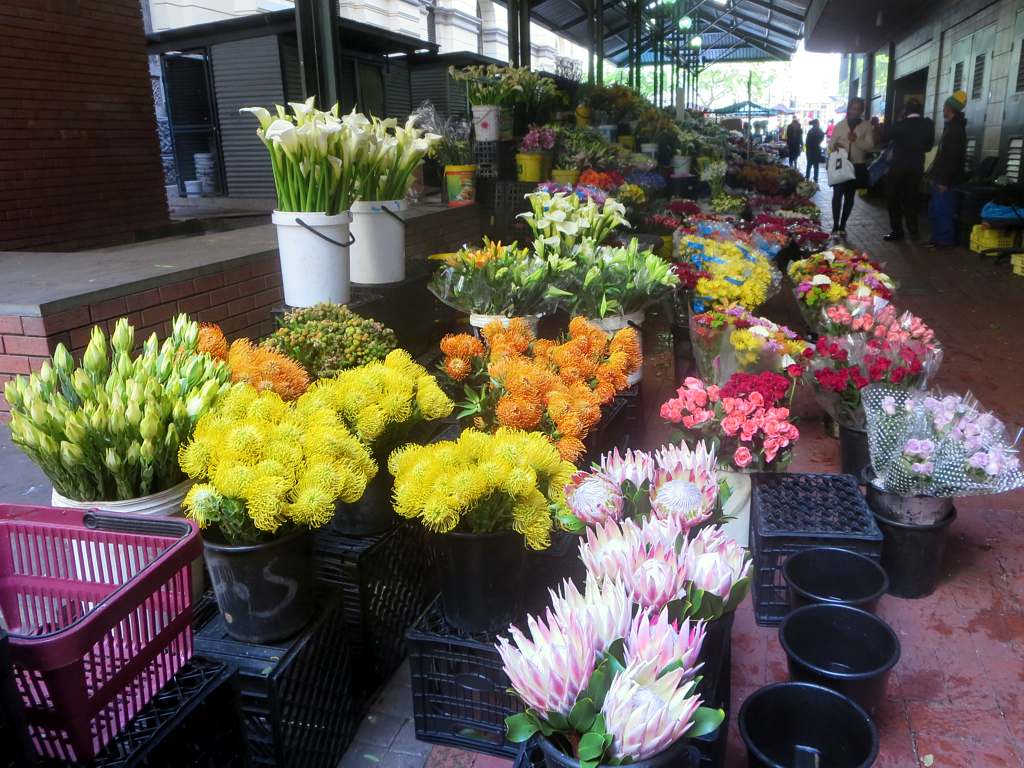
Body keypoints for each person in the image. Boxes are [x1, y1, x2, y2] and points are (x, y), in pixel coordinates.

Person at [883, 100, 934, 241]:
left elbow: (885, 137)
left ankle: (897, 231)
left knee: (893, 198)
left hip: (898, 167)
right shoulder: (928, 125)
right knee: (911, 198)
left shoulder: (900, 124)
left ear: (906, 110)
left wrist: (899, 120)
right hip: (916, 167)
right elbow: (928, 147)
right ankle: (913, 231)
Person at [827, 97, 877, 237]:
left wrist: (857, 141)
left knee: (849, 197)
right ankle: (835, 225)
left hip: (856, 166)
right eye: (853, 108)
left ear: (862, 110)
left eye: (858, 109)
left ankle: (843, 225)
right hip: (840, 166)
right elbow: (830, 144)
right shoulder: (840, 125)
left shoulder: (866, 126)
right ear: (849, 108)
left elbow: (870, 146)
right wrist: (834, 146)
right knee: (837, 196)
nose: (855, 111)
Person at [927, 90, 968, 247]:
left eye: (944, 106)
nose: (943, 109)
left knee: (943, 210)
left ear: (949, 108)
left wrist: (944, 181)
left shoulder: (955, 130)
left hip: (946, 180)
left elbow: (952, 158)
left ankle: (944, 241)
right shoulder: (952, 127)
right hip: (942, 177)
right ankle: (937, 239)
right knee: (936, 210)